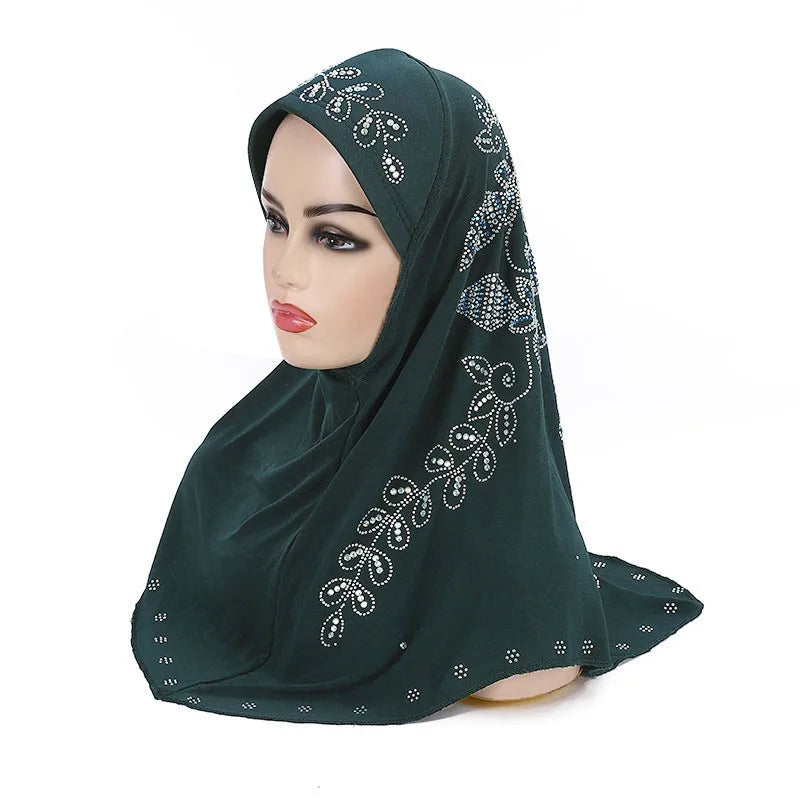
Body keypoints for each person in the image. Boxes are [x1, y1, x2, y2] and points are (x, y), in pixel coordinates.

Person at [130, 47, 704, 725]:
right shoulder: (240, 457)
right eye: (276, 221)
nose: (286, 270)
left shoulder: (505, 585)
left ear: (442, 253)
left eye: (335, 237)